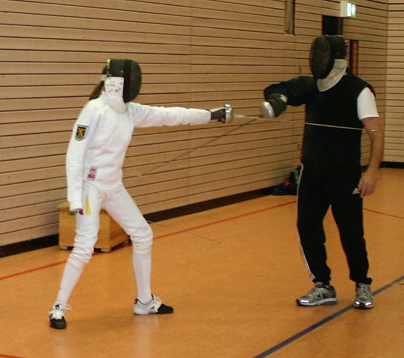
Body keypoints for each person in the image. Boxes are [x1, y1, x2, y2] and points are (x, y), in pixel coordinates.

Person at [48, 59, 231, 329]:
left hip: (113, 186)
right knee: (85, 246)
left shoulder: (130, 111)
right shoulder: (93, 110)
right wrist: (75, 198)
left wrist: (211, 115)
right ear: (118, 82)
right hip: (90, 187)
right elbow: (74, 154)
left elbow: (171, 115)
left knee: (143, 234)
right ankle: (58, 308)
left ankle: (144, 301)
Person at [261, 35, 382, 309]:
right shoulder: (311, 86)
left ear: (337, 59)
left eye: (322, 55)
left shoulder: (359, 90)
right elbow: (279, 88)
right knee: (308, 228)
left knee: (351, 232)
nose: (317, 60)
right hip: (312, 175)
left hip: (346, 176)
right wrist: (278, 99)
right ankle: (322, 284)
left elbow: (377, 135)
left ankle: (362, 284)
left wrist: (372, 171)